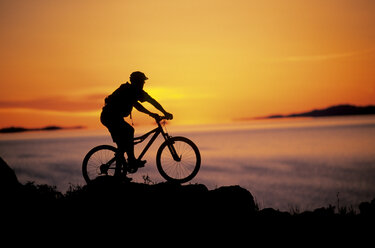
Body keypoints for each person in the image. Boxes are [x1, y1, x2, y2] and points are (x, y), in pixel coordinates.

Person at [100, 71, 173, 178]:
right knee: (129, 131)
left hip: (115, 118)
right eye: (142, 81)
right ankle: (131, 161)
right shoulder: (128, 90)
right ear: (137, 82)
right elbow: (137, 106)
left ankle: (120, 174)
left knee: (123, 143)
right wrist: (151, 114)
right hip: (109, 117)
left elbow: (152, 101)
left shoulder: (138, 92)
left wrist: (164, 112)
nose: (143, 83)